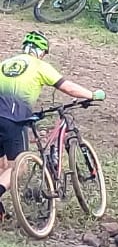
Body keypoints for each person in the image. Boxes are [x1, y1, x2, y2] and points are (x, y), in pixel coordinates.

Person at [0, 32, 104, 214]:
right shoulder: (40, 66)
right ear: (41, 52)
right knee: (19, 165)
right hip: (14, 117)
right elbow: (68, 88)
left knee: (2, 165)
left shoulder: (4, 65)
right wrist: (92, 95)